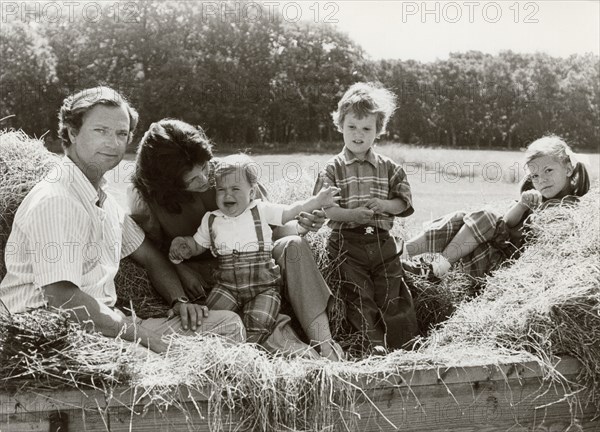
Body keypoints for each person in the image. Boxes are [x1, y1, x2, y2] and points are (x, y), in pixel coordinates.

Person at [0, 86, 245, 353]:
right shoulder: (58, 199)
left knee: (227, 325)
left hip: (105, 329)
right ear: (72, 132)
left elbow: (151, 258)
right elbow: (62, 299)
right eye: (100, 131)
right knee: (165, 362)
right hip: (52, 337)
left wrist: (179, 301)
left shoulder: (102, 200)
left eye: (121, 134)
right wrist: (146, 339)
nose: (113, 143)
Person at [128, 119, 344, 360]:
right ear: (166, 186)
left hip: (258, 268)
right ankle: (281, 345)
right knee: (265, 334)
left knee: (294, 246)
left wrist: (302, 226)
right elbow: (153, 255)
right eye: (192, 179)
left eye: (205, 167)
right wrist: (180, 272)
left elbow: (271, 229)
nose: (205, 179)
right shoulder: (147, 200)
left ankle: (325, 344)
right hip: (207, 283)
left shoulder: (230, 175)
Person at [169, 154, 340, 344]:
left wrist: (316, 201)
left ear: (251, 193)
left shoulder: (261, 210)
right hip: (227, 286)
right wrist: (184, 246)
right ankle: (208, 344)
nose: (228, 195)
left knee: (260, 320)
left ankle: (248, 349)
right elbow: (197, 244)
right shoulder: (211, 219)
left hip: (263, 286)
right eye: (221, 189)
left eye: (235, 189)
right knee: (210, 317)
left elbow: (291, 210)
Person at [313, 82, 419, 355]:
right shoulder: (332, 168)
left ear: (378, 131)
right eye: (352, 127)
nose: (358, 135)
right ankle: (372, 344)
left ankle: (403, 345)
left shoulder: (389, 168)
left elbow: (403, 203)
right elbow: (326, 209)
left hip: (381, 240)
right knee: (358, 293)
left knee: (391, 290)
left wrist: (384, 204)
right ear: (340, 125)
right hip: (346, 242)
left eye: (366, 129)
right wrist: (353, 214)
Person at [404, 135, 591, 280]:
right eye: (534, 176)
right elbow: (508, 223)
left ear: (568, 169)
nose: (541, 180)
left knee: (485, 217)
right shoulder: (536, 199)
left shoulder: (570, 207)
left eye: (548, 170)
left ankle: (433, 270)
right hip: (495, 254)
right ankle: (403, 253)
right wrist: (522, 205)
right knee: (463, 219)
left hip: (507, 269)